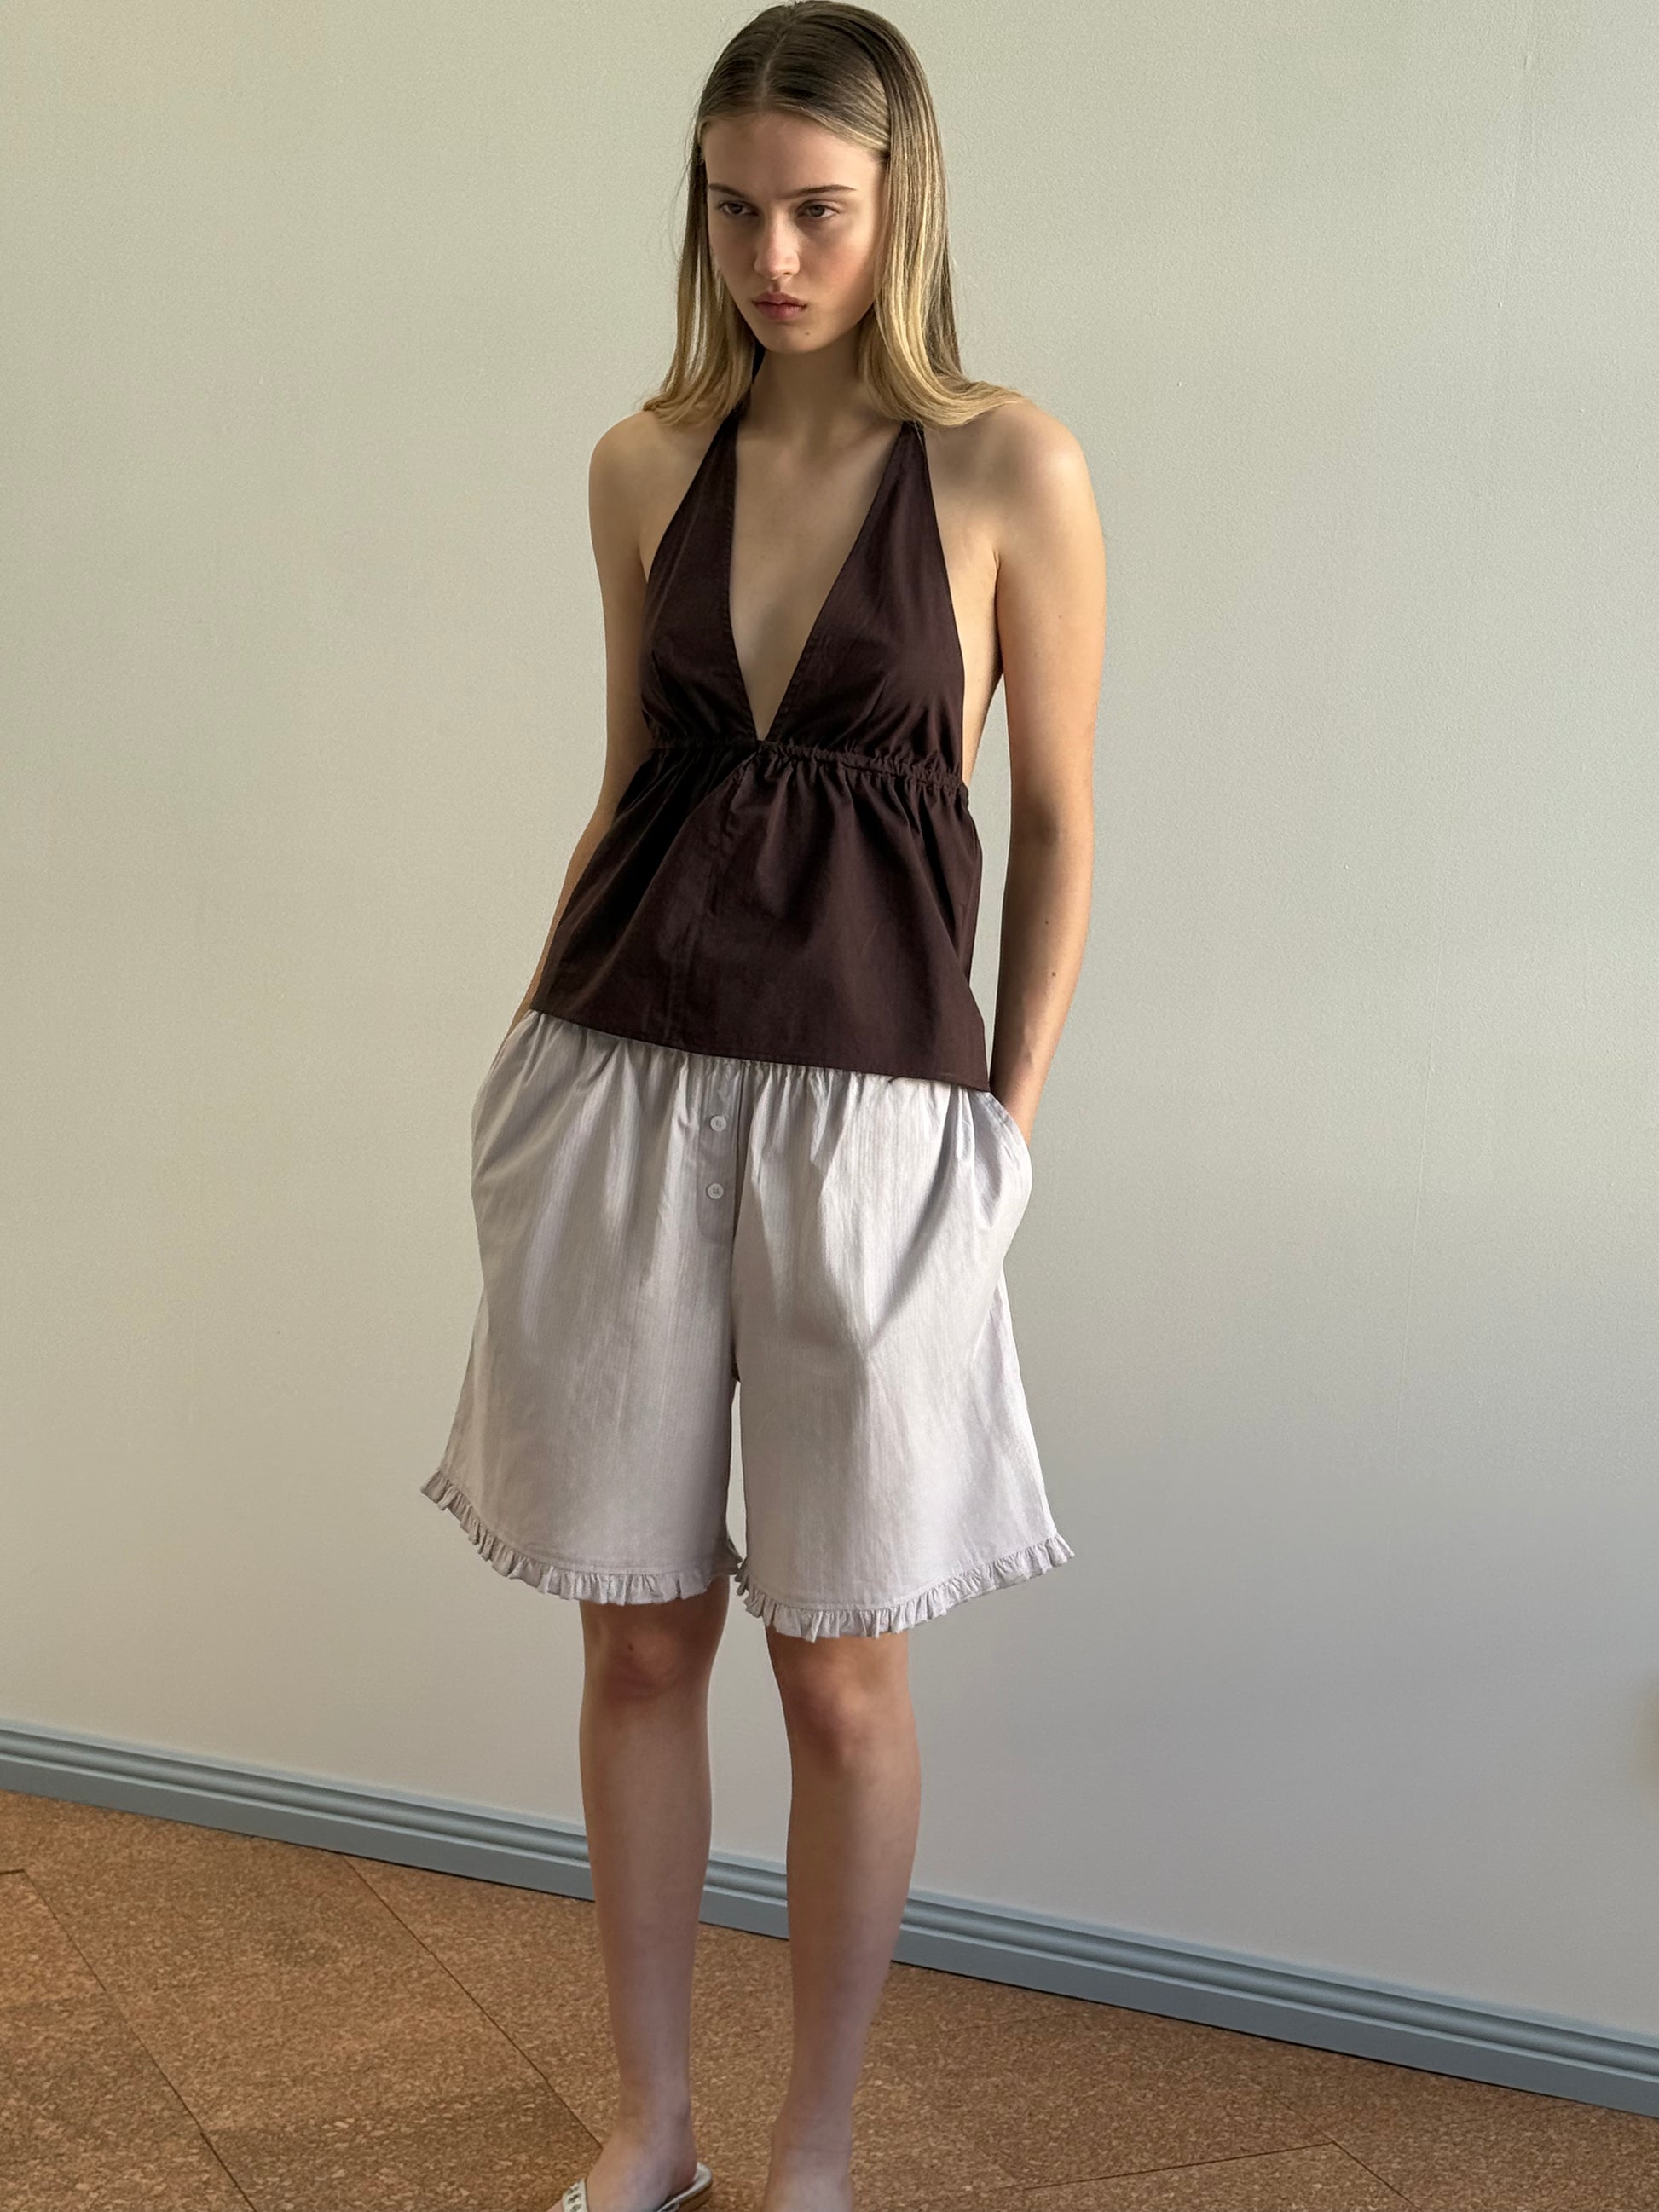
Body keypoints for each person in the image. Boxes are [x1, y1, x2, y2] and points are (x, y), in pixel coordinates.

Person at [420, 6, 1105, 2208]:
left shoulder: (1011, 467)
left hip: (876, 1123)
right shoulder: (642, 462)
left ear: (897, 205)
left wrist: (1001, 1126)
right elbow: (630, 786)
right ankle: (657, 2125)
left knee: (841, 1673)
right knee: (638, 1631)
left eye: (814, 211)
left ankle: (808, 2148)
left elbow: (1063, 825)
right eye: (733, 209)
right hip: (620, 1079)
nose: (770, 256)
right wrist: (521, 1070)